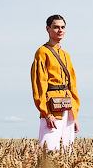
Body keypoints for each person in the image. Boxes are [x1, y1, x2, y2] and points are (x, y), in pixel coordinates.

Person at [31, 15, 80, 151]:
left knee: (67, 151)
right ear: (48, 29)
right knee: (49, 149)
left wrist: (74, 115)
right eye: (56, 27)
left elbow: (73, 85)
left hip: (68, 106)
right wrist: (46, 113)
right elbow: (39, 84)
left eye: (62, 27)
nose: (60, 30)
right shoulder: (42, 52)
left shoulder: (66, 55)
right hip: (51, 107)